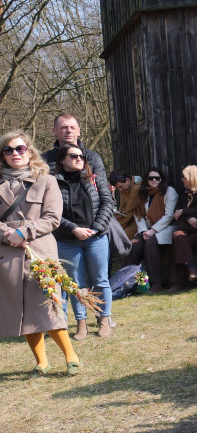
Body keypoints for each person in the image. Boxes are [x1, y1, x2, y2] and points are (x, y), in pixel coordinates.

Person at [1, 131, 82, 375]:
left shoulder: (46, 180)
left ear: (30, 151)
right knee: (23, 310)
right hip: (8, 254)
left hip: (39, 251)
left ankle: (71, 357)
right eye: (8, 149)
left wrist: (24, 232)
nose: (15, 153)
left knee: (48, 305)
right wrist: (8, 235)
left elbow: (53, 218)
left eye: (20, 148)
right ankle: (42, 362)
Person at [53, 144, 114, 339]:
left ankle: (104, 320)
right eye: (73, 156)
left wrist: (95, 228)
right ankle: (81, 324)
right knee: (76, 284)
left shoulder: (93, 178)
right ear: (62, 160)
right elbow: (51, 213)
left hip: (96, 237)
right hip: (67, 239)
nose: (79, 159)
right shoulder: (53, 182)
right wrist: (74, 229)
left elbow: (108, 203)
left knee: (100, 280)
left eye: (81, 156)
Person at [126, 167, 178, 292]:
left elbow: (169, 215)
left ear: (162, 179)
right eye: (151, 178)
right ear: (147, 180)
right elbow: (138, 214)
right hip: (147, 228)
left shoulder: (169, 191)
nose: (154, 180)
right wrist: (144, 231)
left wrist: (152, 230)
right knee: (134, 245)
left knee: (150, 244)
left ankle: (156, 283)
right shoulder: (144, 193)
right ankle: (126, 281)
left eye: (157, 178)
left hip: (166, 227)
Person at [168, 166, 197, 292]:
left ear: (192, 177)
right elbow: (176, 213)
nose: (182, 179)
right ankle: (192, 268)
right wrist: (188, 218)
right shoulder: (183, 193)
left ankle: (179, 283)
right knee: (178, 237)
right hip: (187, 228)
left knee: (179, 243)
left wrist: (184, 212)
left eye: (184, 177)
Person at [42, 112, 108, 189]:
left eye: (72, 127)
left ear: (78, 131)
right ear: (54, 131)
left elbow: (103, 190)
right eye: (64, 127)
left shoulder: (92, 158)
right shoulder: (44, 160)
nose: (69, 131)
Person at [110, 170, 143, 240]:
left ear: (127, 180)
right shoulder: (125, 188)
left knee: (119, 237)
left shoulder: (136, 189)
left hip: (138, 220)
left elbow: (129, 213)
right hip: (128, 219)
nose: (120, 190)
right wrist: (119, 215)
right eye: (118, 188)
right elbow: (122, 208)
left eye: (121, 187)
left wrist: (115, 227)